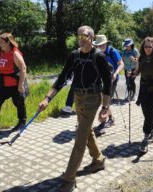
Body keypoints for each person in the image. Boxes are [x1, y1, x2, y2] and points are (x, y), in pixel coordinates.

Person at [38, 26, 112, 192]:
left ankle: (69, 179)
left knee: (80, 136)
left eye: (84, 35)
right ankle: (98, 160)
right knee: (85, 131)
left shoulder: (98, 56)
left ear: (92, 38)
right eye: (79, 35)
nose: (81, 38)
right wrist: (47, 98)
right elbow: (63, 77)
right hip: (78, 98)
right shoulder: (74, 55)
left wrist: (105, 107)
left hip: (93, 98)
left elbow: (108, 83)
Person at [93, 34, 124, 135]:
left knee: (106, 101)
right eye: (98, 45)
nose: (99, 47)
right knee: (105, 100)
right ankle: (111, 119)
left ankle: (103, 124)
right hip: (101, 79)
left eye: (101, 44)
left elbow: (121, 64)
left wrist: (115, 73)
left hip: (112, 79)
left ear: (106, 43)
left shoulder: (112, 51)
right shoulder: (96, 52)